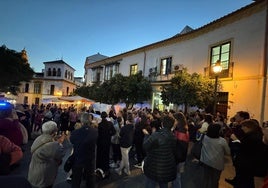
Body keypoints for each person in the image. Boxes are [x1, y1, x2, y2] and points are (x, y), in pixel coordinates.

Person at [28, 121, 66, 188]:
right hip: (44, 174)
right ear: (54, 131)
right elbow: (61, 154)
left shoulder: (39, 138)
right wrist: (60, 143)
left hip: (34, 170)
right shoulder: (53, 145)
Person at [230, 119, 267, 188]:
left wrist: (235, 140)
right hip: (249, 164)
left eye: (243, 126)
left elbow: (244, 148)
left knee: (244, 182)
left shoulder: (251, 137)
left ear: (248, 127)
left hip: (247, 164)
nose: (241, 128)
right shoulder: (254, 134)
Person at [143, 114, 177, 188]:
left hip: (153, 166)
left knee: (150, 184)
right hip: (166, 168)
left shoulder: (156, 135)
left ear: (162, 123)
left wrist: (147, 135)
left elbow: (145, 146)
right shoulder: (173, 137)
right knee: (164, 185)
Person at [70, 112, 98, 188]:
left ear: (81, 121)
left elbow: (72, 141)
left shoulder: (75, 132)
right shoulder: (95, 131)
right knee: (90, 179)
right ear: (90, 121)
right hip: (90, 158)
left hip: (78, 158)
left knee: (76, 179)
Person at [200, 123, 230, 187]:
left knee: (205, 178)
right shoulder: (222, 141)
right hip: (217, 163)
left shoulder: (204, 137)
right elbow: (228, 152)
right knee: (215, 181)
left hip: (206, 161)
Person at [225, 111, 250, 185]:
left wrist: (234, 138)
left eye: (237, 115)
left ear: (242, 118)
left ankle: (239, 182)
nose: (235, 117)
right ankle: (237, 179)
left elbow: (243, 141)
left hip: (239, 149)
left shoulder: (246, 127)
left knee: (240, 168)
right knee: (237, 166)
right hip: (235, 147)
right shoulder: (238, 125)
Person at [172, 112, 189, 188]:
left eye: (174, 120)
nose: (173, 121)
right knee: (176, 176)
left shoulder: (181, 132)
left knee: (177, 176)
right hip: (180, 157)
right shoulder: (182, 129)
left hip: (178, 158)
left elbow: (180, 147)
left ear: (178, 120)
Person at [96, 111, 116, 178]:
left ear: (101, 117)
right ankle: (106, 170)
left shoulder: (99, 125)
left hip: (100, 143)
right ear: (106, 116)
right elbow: (114, 132)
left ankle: (101, 169)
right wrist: (109, 135)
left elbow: (97, 135)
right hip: (107, 142)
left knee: (101, 156)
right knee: (106, 155)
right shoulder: (110, 123)